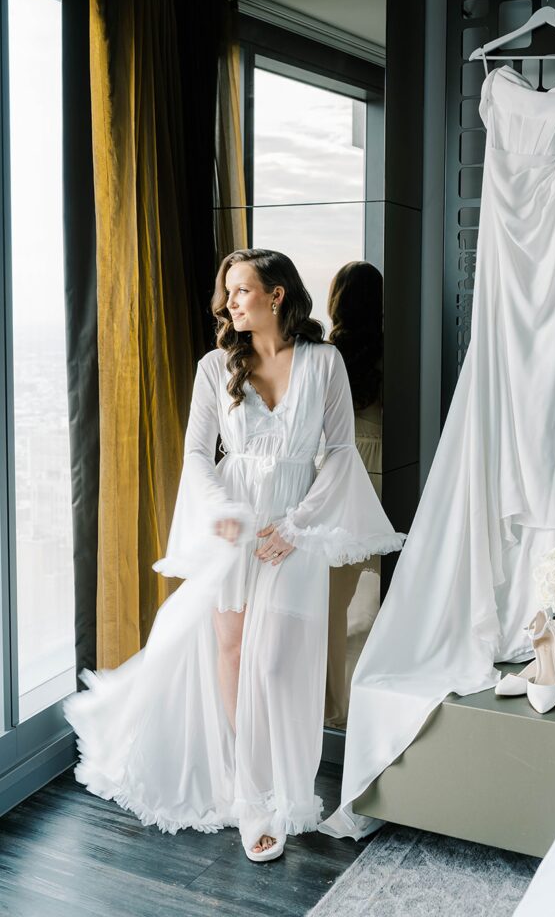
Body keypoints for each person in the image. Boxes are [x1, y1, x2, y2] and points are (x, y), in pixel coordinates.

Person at [64, 248, 405, 862]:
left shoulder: (325, 364)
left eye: (242, 290)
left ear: (277, 295)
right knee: (231, 649)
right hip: (234, 527)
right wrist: (223, 511)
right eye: (228, 292)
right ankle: (251, 798)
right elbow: (197, 454)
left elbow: (340, 454)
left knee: (275, 663)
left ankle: (282, 785)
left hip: (293, 531)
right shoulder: (214, 367)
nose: (229, 303)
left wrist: (297, 528)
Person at [324, 261, 383, 729]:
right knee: (388, 586)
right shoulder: (395, 347)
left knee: (334, 600)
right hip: (392, 470)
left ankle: (335, 708)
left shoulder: (329, 353)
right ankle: (377, 697)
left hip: (346, 472)